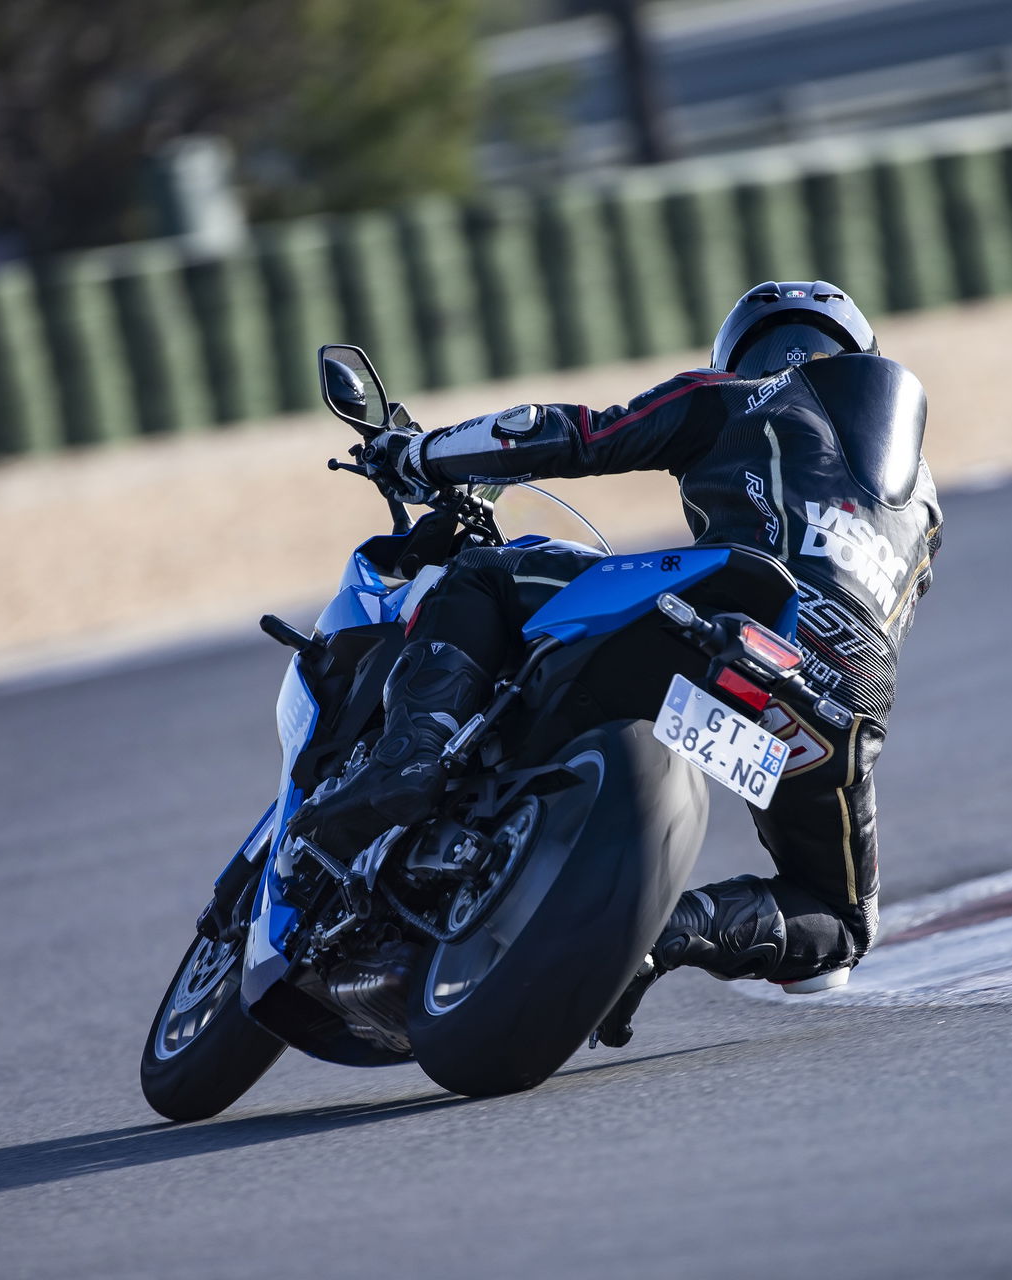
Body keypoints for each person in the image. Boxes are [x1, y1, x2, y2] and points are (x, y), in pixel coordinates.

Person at [288, 281, 942, 1044]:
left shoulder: (742, 396)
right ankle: (664, 938)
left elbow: (567, 433)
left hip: (719, 616)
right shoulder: (923, 508)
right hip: (836, 704)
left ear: (740, 353)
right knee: (838, 926)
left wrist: (421, 452)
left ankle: (412, 755)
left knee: (483, 579)